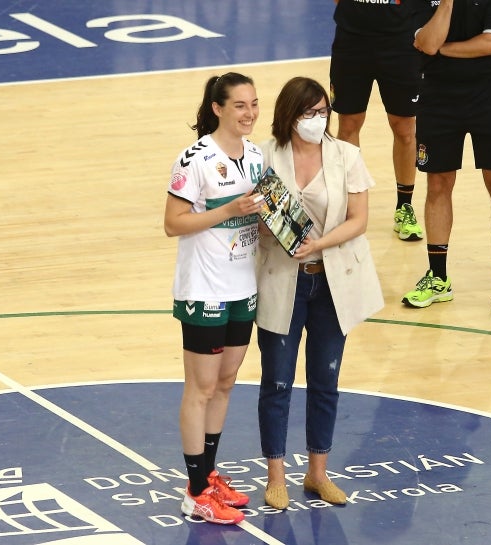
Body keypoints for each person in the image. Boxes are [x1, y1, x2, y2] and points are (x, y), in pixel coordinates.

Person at [255, 76, 384, 510]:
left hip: (332, 280)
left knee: (325, 379)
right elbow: (255, 215)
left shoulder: (346, 155)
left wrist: (318, 245)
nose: (317, 120)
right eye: (308, 113)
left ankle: (317, 474)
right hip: (281, 280)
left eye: (322, 112)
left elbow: (359, 219)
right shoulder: (265, 156)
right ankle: (276, 477)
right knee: (276, 380)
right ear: (288, 116)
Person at [163, 72, 264, 524]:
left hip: (244, 285)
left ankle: (208, 474)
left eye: (254, 104)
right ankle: (195, 491)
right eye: (240, 105)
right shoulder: (195, 159)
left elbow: (260, 218)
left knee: (224, 384)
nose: (249, 113)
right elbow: (173, 223)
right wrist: (228, 210)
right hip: (205, 287)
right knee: (201, 388)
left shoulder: (258, 157)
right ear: (219, 108)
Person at [401, 0, 491, 317]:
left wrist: (443, 49)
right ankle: (438, 278)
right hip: (438, 97)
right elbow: (426, 42)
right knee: (438, 184)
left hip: (489, 95)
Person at [330, 0, 426, 241]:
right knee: (349, 124)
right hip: (352, 40)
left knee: (404, 128)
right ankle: (351, 208)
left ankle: (404, 207)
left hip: (401, 42)